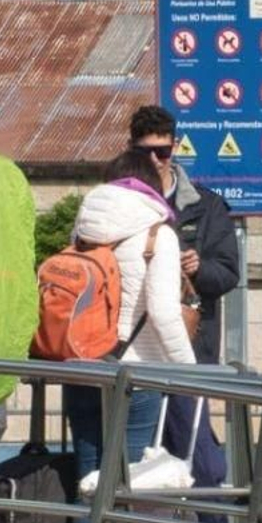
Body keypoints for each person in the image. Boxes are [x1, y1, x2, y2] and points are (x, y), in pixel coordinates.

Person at [128, 105, 238, 523]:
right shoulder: (120, 202)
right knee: (135, 476)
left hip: (186, 357)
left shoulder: (206, 206)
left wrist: (197, 269)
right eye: (146, 151)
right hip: (133, 358)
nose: (156, 160)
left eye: (164, 150)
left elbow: (228, 274)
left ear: (176, 146)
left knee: (205, 471)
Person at [64, 149, 197, 475]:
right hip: (136, 371)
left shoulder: (82, 233)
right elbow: (163, 312)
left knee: (88, 477)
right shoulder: (158, 234)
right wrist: (190, 371)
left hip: (82, 366)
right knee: (128, 479)